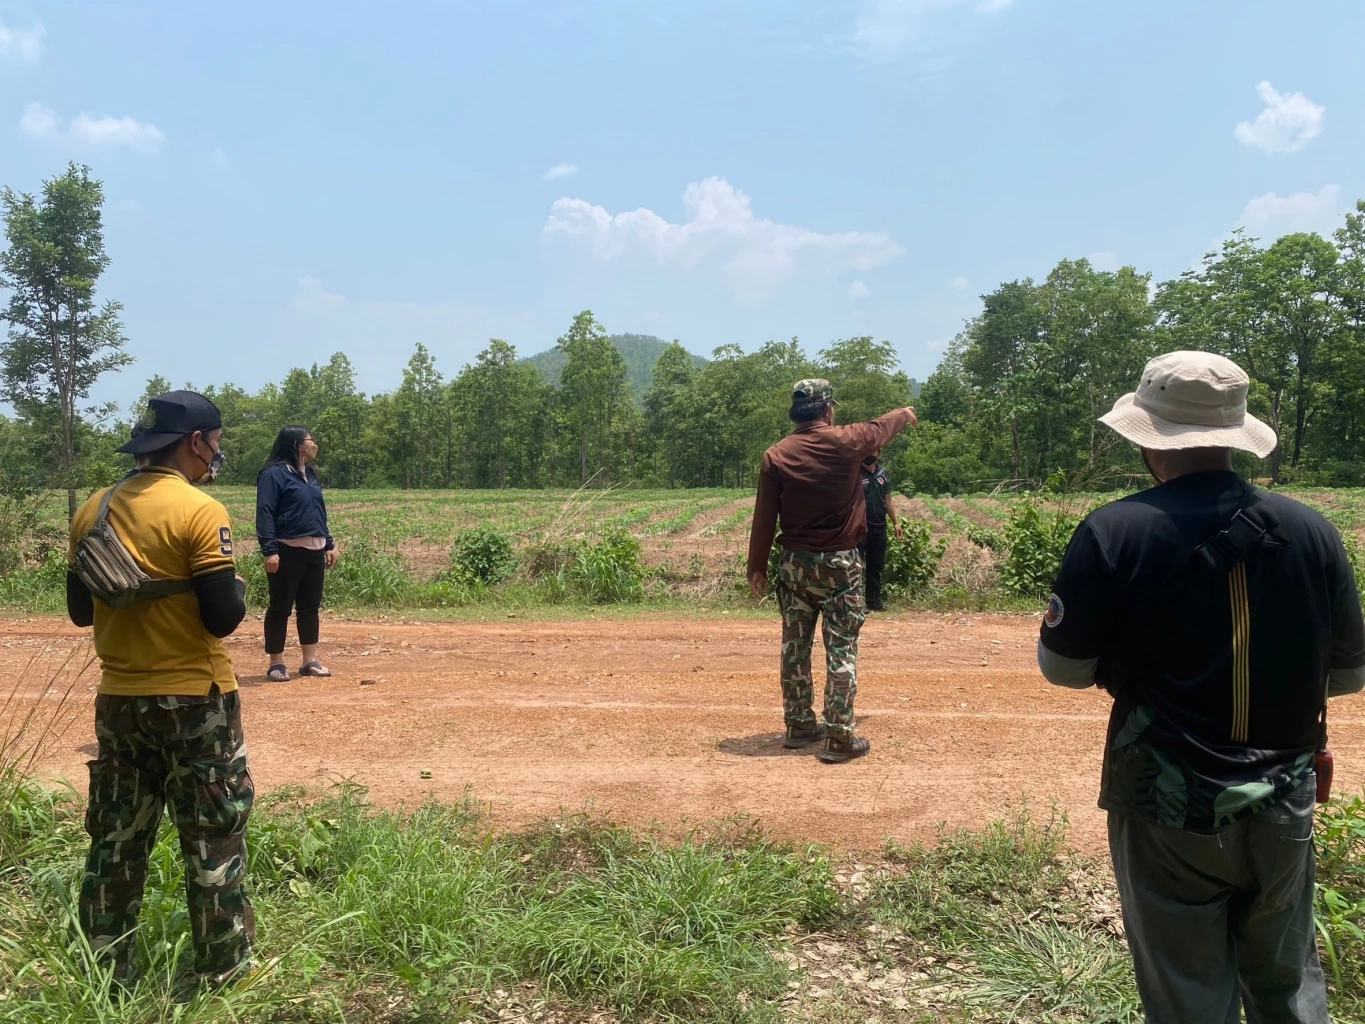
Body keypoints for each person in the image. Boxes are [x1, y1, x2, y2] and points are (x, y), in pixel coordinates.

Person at [1036, 351, 1365, 1024]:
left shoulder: (1113, 531)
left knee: (1187, 992)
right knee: (1286, 982)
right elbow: (1347, 675)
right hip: (1284, 793)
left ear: (1147, 437)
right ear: (1234, 435)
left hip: (1164, 798)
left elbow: (1063, 669)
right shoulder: (1312, 530)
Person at [67, 390, 254, 994]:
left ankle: (104, 973)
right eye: (217, 442)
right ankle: (220, 976)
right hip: (196, 699)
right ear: (195, 441)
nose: (217, 454)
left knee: (116, 839)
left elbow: (78, 609)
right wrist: (240, 592)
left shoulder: (94, 508)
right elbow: (223, 618)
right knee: (212, 839)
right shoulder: (201, 510)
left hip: (119, 699)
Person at [747, 379, 917, 763]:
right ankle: (839, 736)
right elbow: (881, 428)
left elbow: (764, 518)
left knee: (795, 646)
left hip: (795, 565)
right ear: (827, 410)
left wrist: (756, 566)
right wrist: (904, 414)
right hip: (841, 564)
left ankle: (798, 725)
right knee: (841, 647)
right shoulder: (847, 441)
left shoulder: (776, 455)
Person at [256, 425, 336, 682]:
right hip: (286, 550)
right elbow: (265, 512)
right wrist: (270, 550)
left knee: (310, 607)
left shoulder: (310, 474)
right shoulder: (273, 474)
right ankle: (276, 663)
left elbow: (317, 512)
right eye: (311, 441)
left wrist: (329, 543)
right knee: (280, 608)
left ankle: (309, 660)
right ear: (297, 446)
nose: (315, 445)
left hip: (314, 550)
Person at [858, 451, 903, 611]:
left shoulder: (883, 473)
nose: (869, 454)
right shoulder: (855, 472)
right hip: (860, 527)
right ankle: (854, 603)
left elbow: (888, 500)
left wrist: (896, 523)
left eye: (873, 451)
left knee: (875, 565)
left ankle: (873, 602)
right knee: (855, 564)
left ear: (878, 454)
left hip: (879, 525)